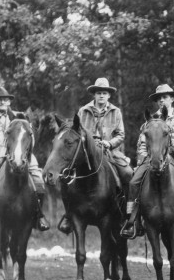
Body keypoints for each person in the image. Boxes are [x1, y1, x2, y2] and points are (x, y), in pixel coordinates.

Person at [120, 84, 174, 239]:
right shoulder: (149, 122)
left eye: (165, 97)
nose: (161, 100)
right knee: (133, 183)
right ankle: (132, 220)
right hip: (152, 159)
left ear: (172, 99)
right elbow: (142, 144)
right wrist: (143, 158)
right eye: (158, 98)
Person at [57, 78, 134, 234]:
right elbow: (76, 132)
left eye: (104, 93)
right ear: (94, 94)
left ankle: (127, 214)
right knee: (65, 174)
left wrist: (109, 143)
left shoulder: (115, 111)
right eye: (99, 93)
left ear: (109, 95)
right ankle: (68, 214)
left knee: (128, 174)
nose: (101, 96)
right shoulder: (83, 111)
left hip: (109, 151)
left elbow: (121, 134)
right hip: (87, 152)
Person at [0, 86, 49, 231]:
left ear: (9, 102)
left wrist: (25, 153)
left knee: (38, 179)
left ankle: (39, 215)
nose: (2, 102)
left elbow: (30, 139)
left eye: (5, 99)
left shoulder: (21, 118)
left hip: (22, 156)